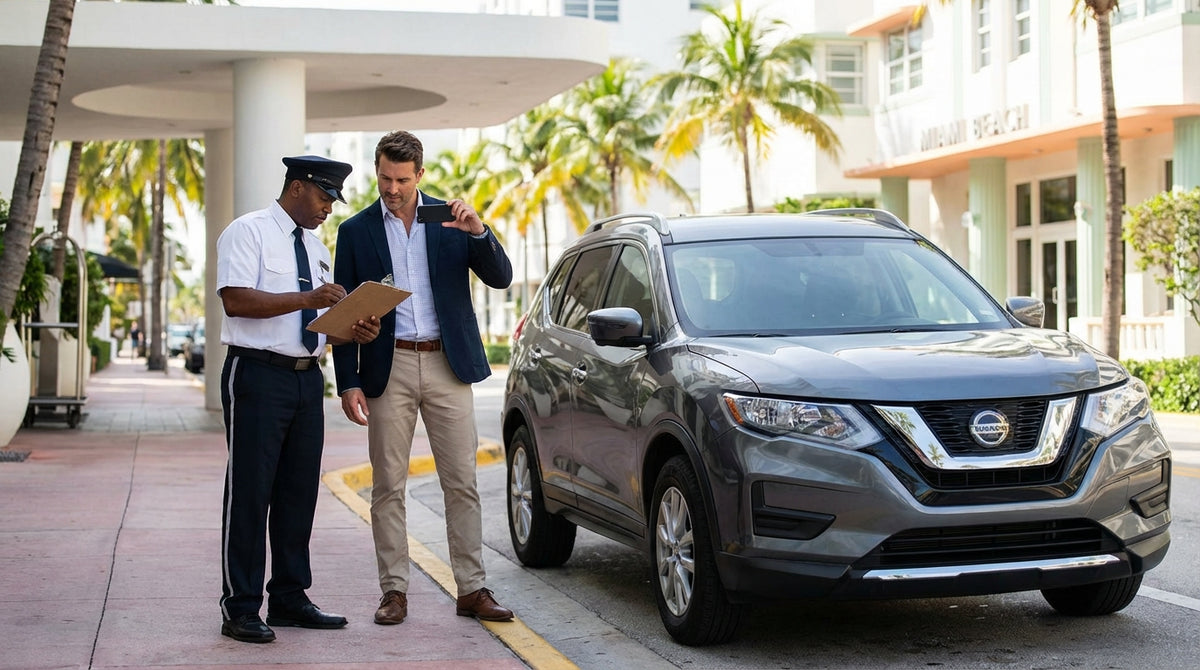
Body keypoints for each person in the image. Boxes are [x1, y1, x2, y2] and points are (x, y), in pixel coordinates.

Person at [331, 131, 514, 626]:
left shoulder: (452, 220)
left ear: (420, 176)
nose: (392, 188)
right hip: (386, 368)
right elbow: (344, 315)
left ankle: (472, 589)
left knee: (462, 482)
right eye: (385, 178)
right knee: (388, 485)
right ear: (377, 171)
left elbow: (500, 276)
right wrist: (347, 382)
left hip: (447, 365)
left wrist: (478, 232)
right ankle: (394, 591)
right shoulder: (355, 231)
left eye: (402, 180)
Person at [215, 154, 381, 643]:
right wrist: (308, 299)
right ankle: (240, 606)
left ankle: (288, 597)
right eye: (325, 195)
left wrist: (358, 329)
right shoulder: (247, 232)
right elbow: (236, 300)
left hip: (309, 380)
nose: (330, 207)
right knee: (250, 492)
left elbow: (321, 324)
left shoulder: (316, 247)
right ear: (298, 187)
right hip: (257, 374)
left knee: (297, 492)